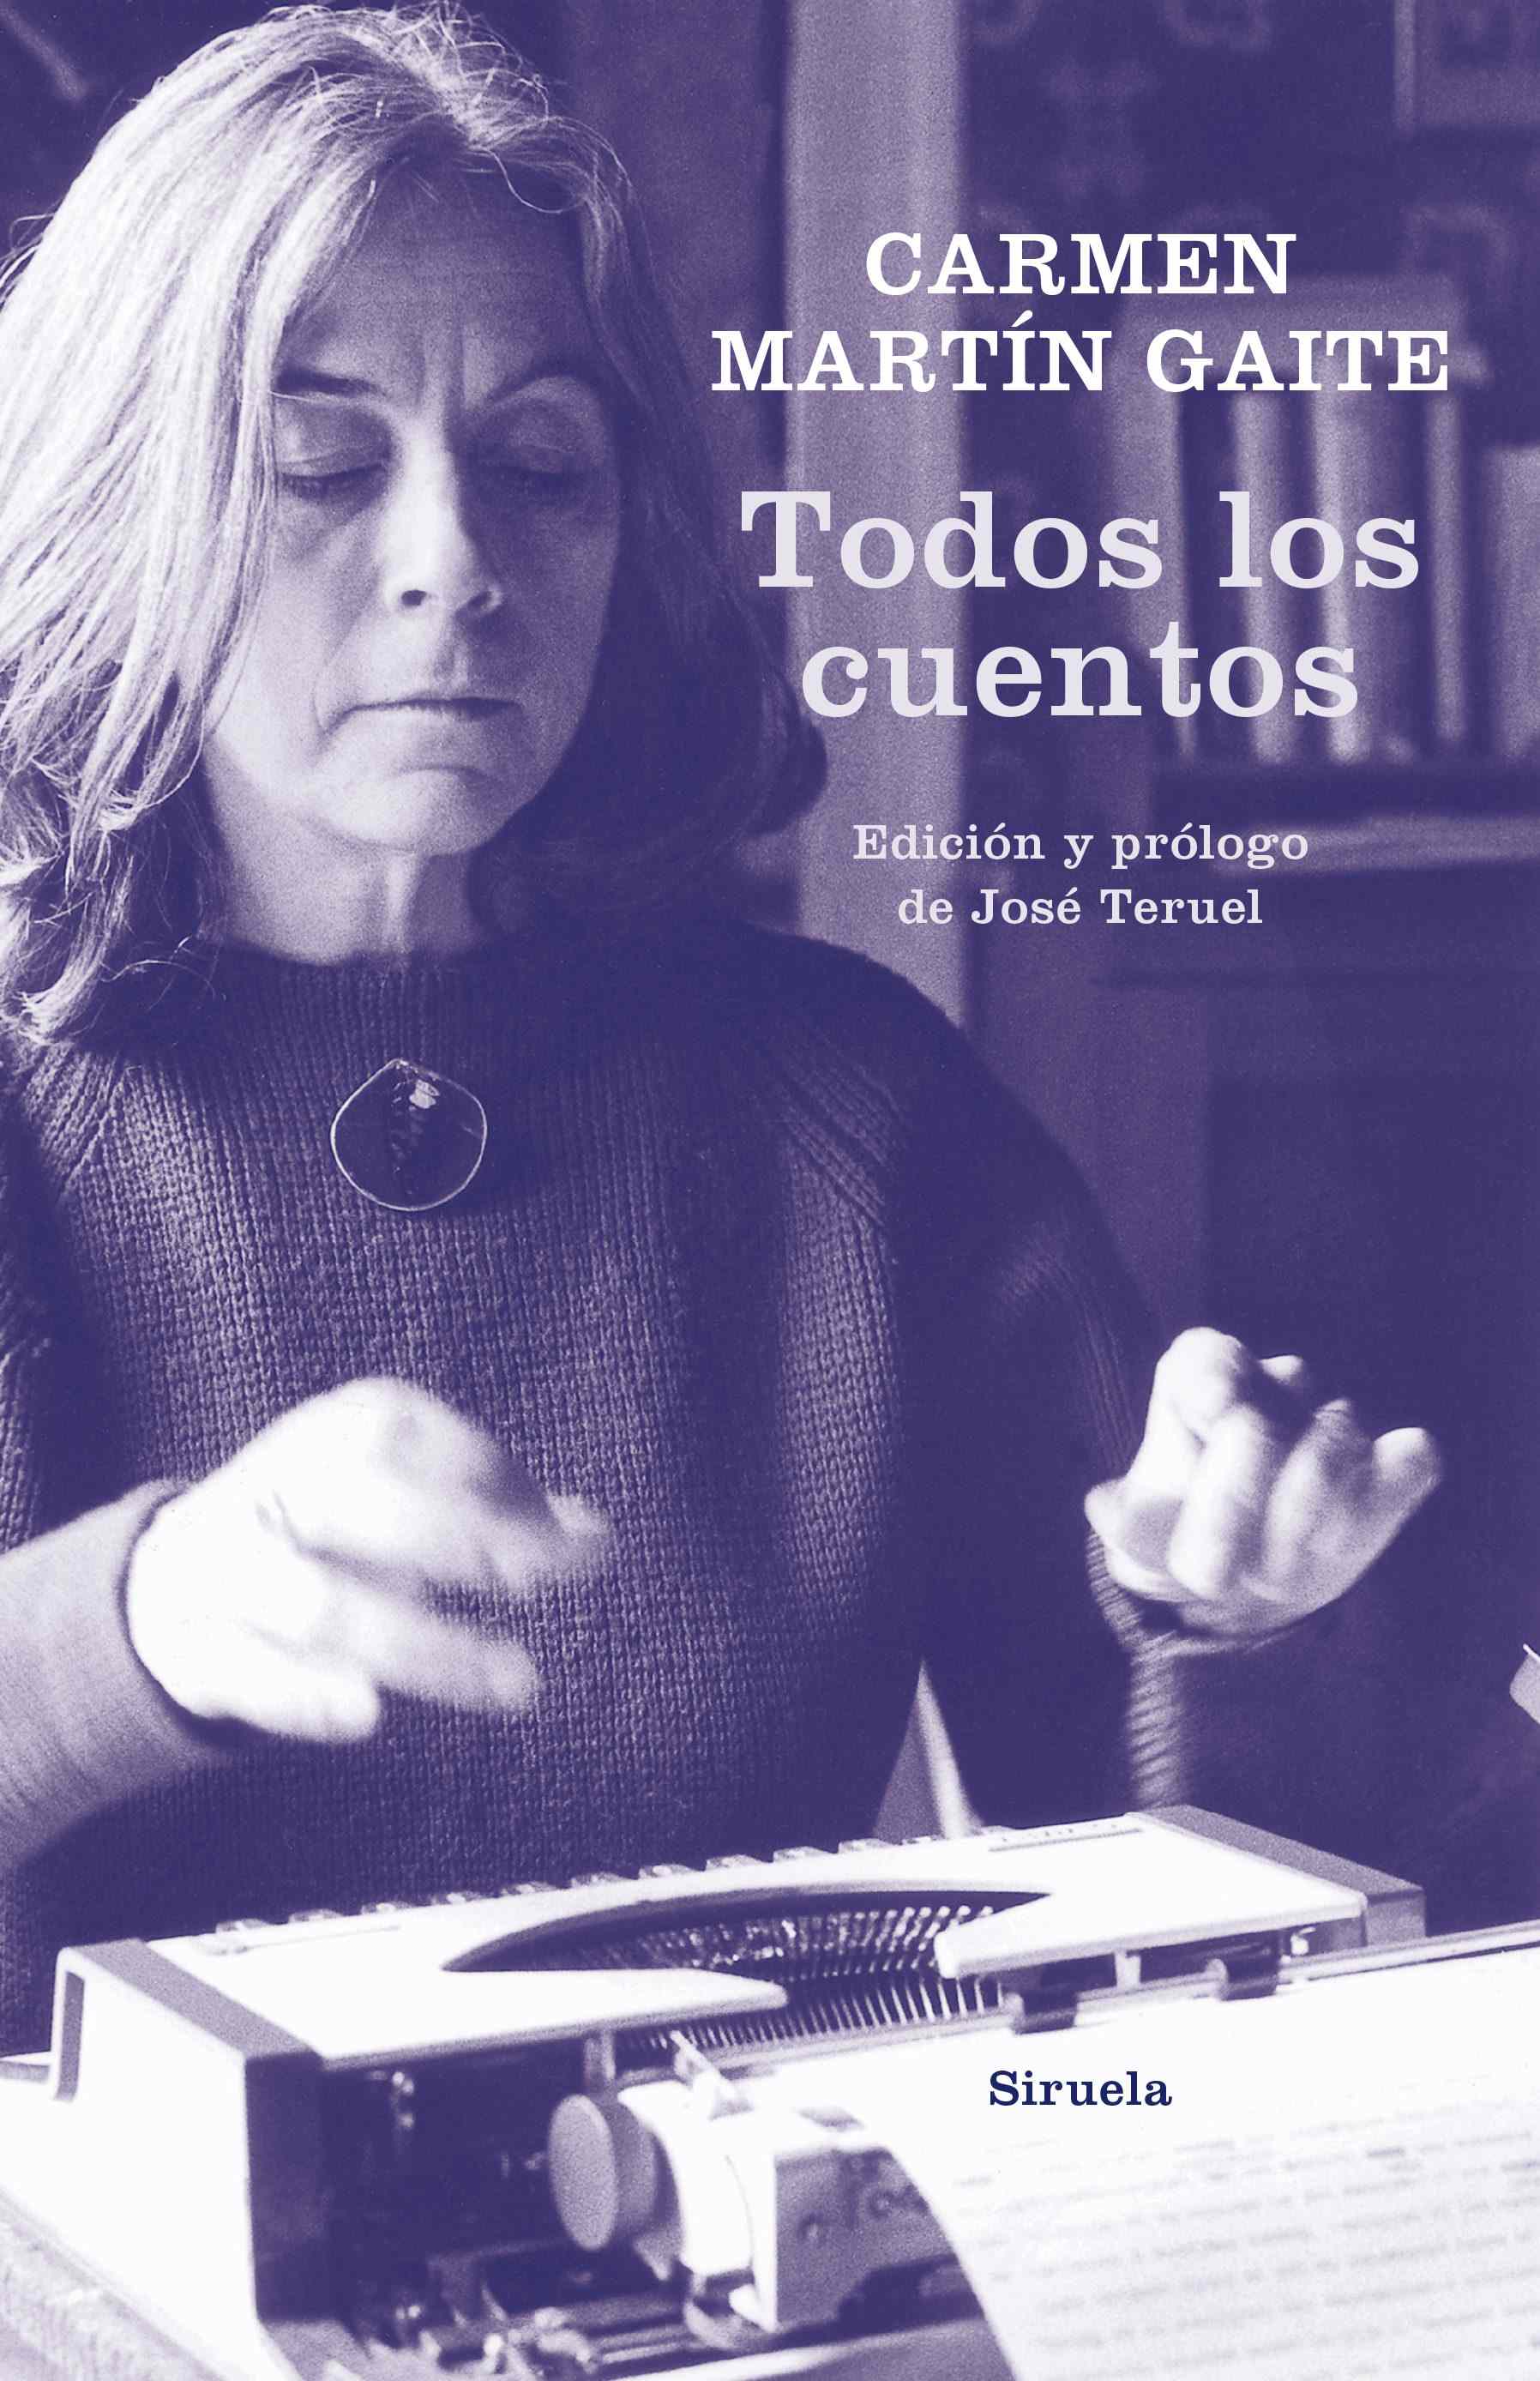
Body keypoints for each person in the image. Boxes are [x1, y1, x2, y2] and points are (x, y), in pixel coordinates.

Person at [0, 1, 1441, 2055]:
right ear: (115, 509)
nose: (455, 563)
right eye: (321, 462)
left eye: (540, 466)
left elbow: (1179, 1979)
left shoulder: (850, 1105)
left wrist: (1230, 1621)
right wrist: (129, 1627)